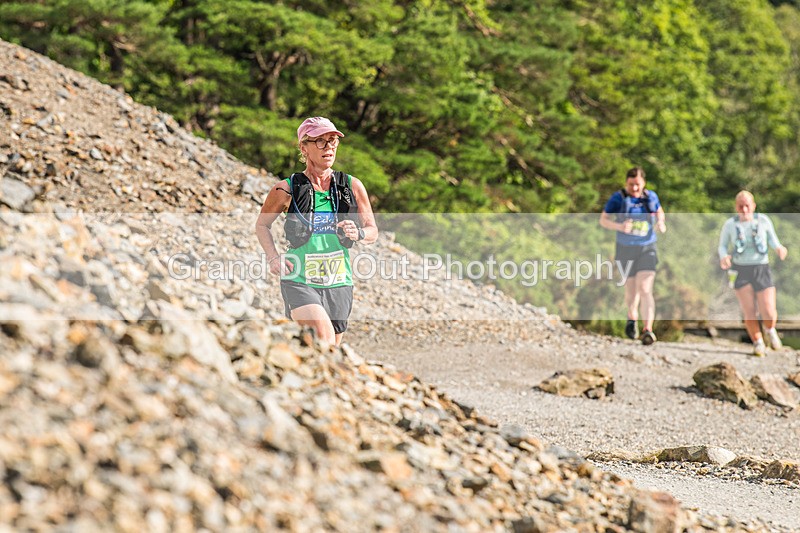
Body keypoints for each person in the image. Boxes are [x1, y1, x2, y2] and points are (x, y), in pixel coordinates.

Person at [255, 116, 377, 346]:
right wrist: (273, 257)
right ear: (304, 147)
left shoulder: (352, 186)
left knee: (331, 353)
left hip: (339, 281)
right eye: (320, 141)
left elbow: (372, 230)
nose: (328, 147)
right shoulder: (286, 189)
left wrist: (359, 233)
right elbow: (262, 225)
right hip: (299, 278)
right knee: (324, 336)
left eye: (333, 141)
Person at [600, 167, 667, 345]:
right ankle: (632, 317)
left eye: (637, 184)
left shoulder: (650, 197)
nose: (634, 188)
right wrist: (620, 227)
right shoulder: (618, 198)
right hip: (625, 249)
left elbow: (659, 211)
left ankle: (648, 330)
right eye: (631, 185)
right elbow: (603, 220)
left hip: (647, 248)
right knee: (631, 292)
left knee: (645, 288)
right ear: (626, 183)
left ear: (643, 183)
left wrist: (661, 222)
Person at [718, 191, 788, 356]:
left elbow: (773, 240)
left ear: (753, 206)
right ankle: (758, 343)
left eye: (747, 205)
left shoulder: (763, 220)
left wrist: (779, 248)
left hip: (761, 268)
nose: (744, 209)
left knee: (768, 311)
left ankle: (770, 330)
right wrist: (723, 256)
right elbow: (722, 246)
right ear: (736, 207)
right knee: (749, 310)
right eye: (740, 206)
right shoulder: (730, 225)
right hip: (740, 269)